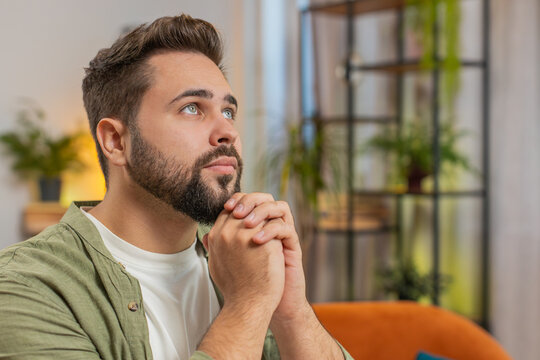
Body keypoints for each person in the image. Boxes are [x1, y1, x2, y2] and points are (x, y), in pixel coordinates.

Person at [0, 14, 353, 360]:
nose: (227, 131)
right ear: (116, 142)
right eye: (191, 108)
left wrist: (291, 311)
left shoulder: (245, 259)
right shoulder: (26, 286)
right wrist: (248, 304)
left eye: (228, 111)